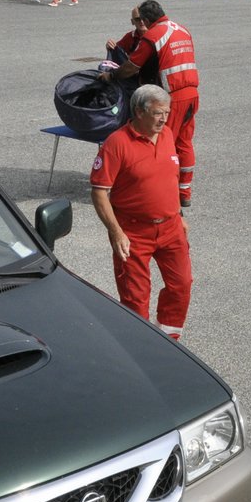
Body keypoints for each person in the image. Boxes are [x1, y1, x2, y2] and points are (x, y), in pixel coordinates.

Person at [90, 85, 193, 340]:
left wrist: (179, 215)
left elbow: (168, 179)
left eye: (166, 112)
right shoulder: (117, 144)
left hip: (170, 228)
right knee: (136, 299)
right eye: (158, 113)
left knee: (181, 286)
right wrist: (115, 232)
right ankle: (141, 346)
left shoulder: (167, 134)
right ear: (139, 111)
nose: (164, 119)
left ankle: (169, 342)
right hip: (133, 232)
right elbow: (99, 192)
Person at [117, 0, 200, 207]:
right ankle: (184, 192)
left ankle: (164, 192)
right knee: (184, 142)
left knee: (162, 142)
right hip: (192, 93)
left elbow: (132, 67)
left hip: (173, 95)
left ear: (145, 20)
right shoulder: (182, 29)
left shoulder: (154, 34)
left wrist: (112, 76)